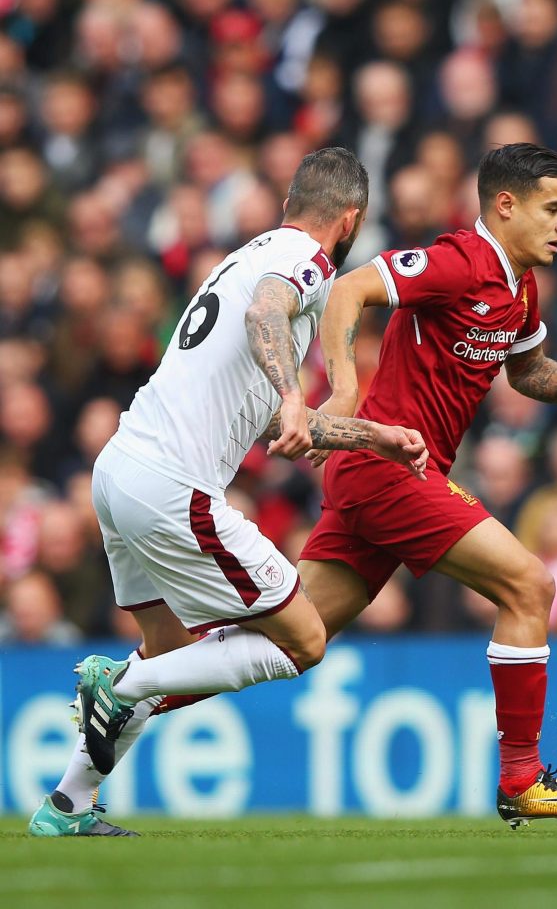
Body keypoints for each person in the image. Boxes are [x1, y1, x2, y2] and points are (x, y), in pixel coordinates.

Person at [28, 147, 428, 837]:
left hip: (120, 470)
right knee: (303, 639)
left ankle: (66, 803)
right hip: (171, 487)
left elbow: (269, 415)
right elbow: (266, 321)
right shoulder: (305, 263)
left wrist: (376, 437)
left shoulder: (244, 256)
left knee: (164, 652)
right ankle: (115, 688)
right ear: (351, 219)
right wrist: (294, 394)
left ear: (287, 202)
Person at [298, 142, 557, 830]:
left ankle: (130, 688)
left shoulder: (518, 285)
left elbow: (525, 371)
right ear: (504, 204)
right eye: (554, 208)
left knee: (289, 639)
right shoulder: (457, 261)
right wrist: (345, 389)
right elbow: (347, 288)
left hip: (389, 477)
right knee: (529, 585)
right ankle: (522, 776)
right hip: (387, 465)